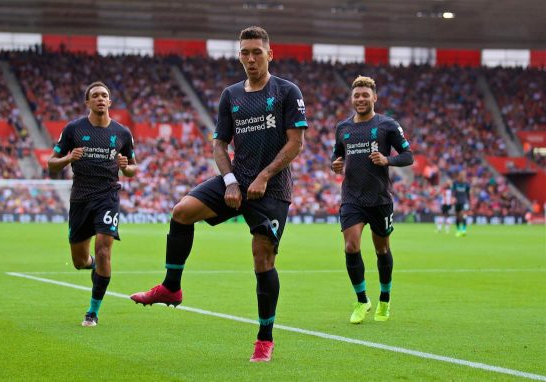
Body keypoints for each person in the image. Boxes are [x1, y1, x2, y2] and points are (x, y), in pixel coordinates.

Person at [130, 26, 308, 362]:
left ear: (270, 54)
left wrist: (265, 176)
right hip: (236, 179)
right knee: (182, 211)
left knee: (262, 258)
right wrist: (229, 180)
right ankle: (171, 286)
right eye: (245, 52)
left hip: (272, 188)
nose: (251, 58)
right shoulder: (231, 95)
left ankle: (264, 339)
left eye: (257, 51)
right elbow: (219, 144)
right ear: (239, 55)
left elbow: (296, 143)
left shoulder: (287, 91)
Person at [48, 81, 137, 327]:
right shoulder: (73, 129)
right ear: (87, 102)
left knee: (104, 249)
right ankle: (94, 267)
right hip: (80, 199)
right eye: (95, 95)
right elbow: (51, 163)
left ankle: (92, 312)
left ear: (109, 102)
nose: (100, 98)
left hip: (107, 196)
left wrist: (125, 167)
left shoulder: (122, 133)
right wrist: (68, 158)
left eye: (104, 95)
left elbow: (132, 167)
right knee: (79, 261)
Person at [330, 75, 413, 324]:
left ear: (374, 97)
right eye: (357, 95)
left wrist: (388, 160)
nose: (361, 99)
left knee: (382, 249)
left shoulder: (387, 125)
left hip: (379, 199)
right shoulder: (342, 128)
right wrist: (335, 164)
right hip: (352, 198)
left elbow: (408, 155)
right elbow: (337, 155)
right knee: (350, 246)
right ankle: (362, 300)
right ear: (352, 99)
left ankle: (385, 300)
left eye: (366, 95)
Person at [452, 171, 471, 237]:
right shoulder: (455, 183)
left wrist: (469, 201)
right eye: (462, 175)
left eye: (464, 175)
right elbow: (453, 191)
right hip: (457, 202)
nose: (463, 176)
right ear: (459, 175)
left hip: (464, 201)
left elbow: (468, 194)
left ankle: (464, 230)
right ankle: (458, 230)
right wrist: (453, 197)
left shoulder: (467, 184)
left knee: (463, 215)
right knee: (457, 216)